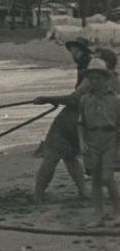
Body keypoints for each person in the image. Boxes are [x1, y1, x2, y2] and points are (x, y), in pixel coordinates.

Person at [30, 39, 106, 203]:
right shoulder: (96, 67)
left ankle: (38, 195)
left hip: (78, 116)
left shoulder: (92, 70)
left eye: (76, 51)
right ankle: (84, 192)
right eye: (71, 51)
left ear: (84, 51)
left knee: (52, 150)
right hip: (92, 116)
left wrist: (46, 98)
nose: (73, 54)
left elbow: (76, 99)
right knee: (70, 155)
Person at [74, 58, 120, 226]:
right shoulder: (85, 99)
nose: (94, 82)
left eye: (97, 78)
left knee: (107, 178)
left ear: (106, 79)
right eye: (91, 79)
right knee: (95, 179)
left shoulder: (116, 99)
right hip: (91, 140)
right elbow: (80, 123)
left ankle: (117, 212)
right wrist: (81, 142)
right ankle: (98, 216)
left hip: (110, 139)